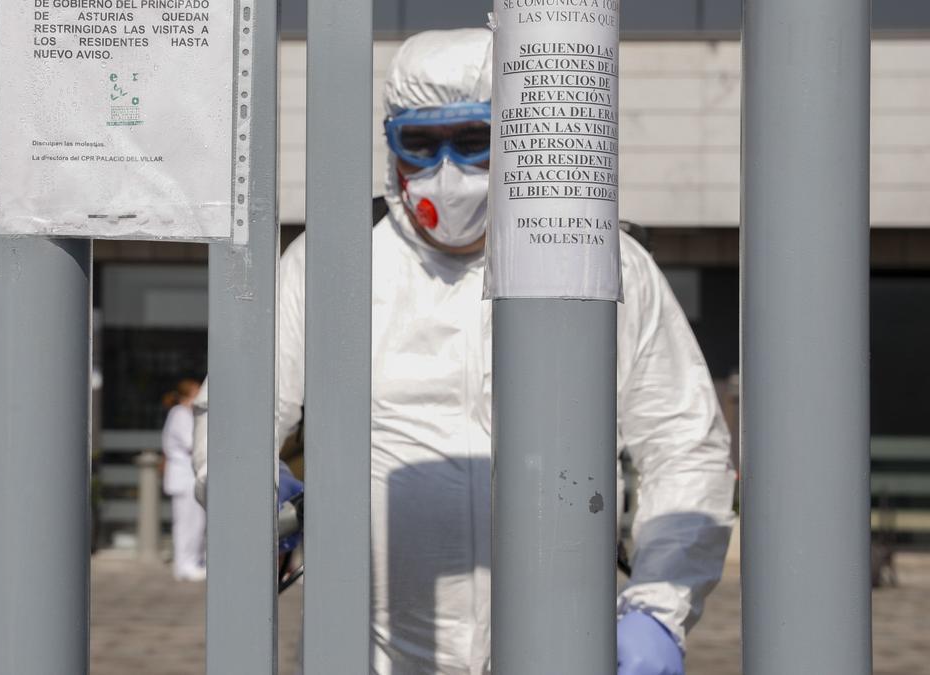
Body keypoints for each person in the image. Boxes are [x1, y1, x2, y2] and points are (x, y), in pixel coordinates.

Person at [196, 28, 736, 675]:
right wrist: (248, 485)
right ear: (390, 143)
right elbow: (234, 415)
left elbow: (683, 442)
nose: (445, 174)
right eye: (421, 144)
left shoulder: (605, 263)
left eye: (474, 142)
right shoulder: (331, 264)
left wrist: (658, 607)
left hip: (558, 647)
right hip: (374, 652)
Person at [161, 378, 206, 582]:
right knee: (185, 523)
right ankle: (184, 564)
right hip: (183, 477)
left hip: (191, 477)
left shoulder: (188, 414)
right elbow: (191, 442)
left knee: (197, 522)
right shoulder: (179, 414)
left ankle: (194, 561)